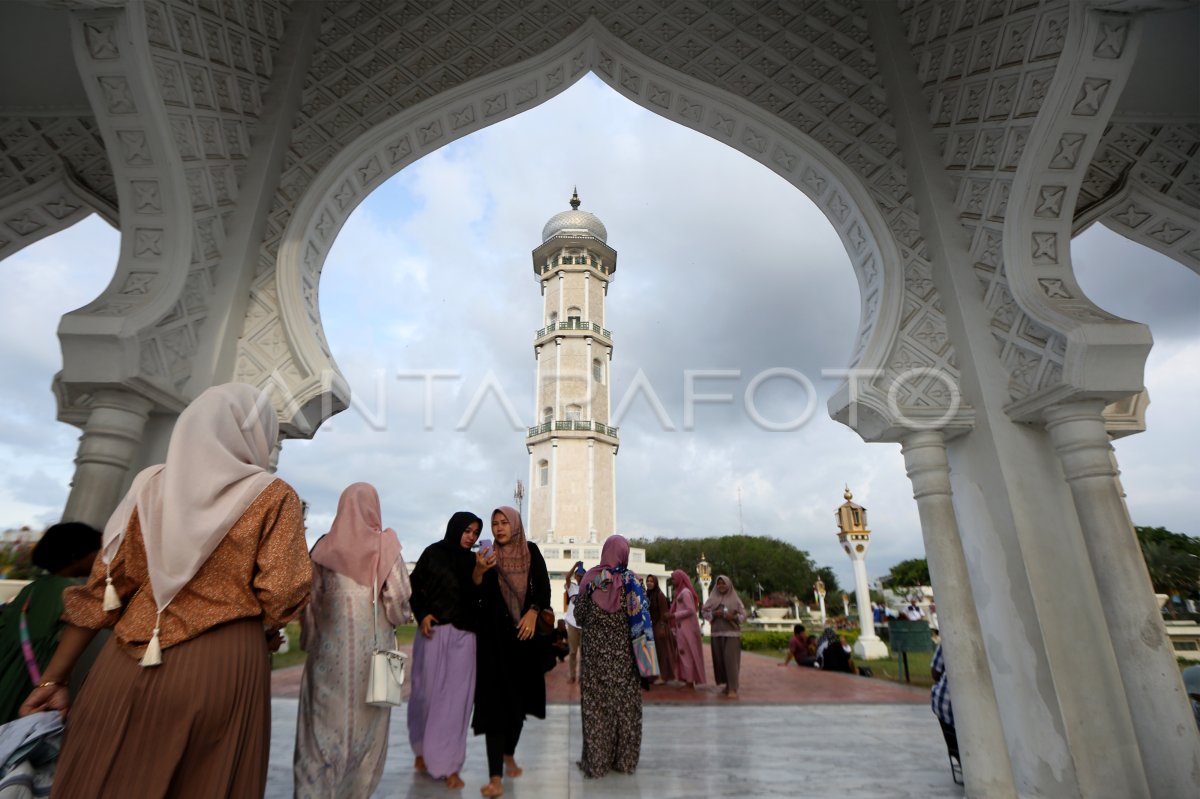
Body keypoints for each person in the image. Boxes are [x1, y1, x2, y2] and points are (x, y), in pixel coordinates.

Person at [20, 382, 311, 798]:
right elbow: (282, 591)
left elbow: (102, 591)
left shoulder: (149, 486)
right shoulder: (271, 495)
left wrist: (51, 682)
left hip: (123, 662)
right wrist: (265, 630)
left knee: (105, 774)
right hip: (222, 663)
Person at [293, 482, 412, 798]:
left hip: (326, 660)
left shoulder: (322, 549)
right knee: (367, 736)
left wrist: (309, 642)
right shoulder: (385, 547)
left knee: (318, 735)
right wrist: (397, 617)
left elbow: (308, 605)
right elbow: (399, 601)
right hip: (371, 661)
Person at [472, 506, 550, 798]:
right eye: (495, 523)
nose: (499, 528)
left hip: (524, 641)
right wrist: (479, 571)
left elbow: (543, 588)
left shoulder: (530, 551)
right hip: (493, 644)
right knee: (495, 709)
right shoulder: (486, 556)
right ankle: (495, 778)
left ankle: (509, 753)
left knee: (517, 709)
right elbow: (476, 598)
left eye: (505, 522)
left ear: (515, 524)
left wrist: (533, 611)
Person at [406, 510, 485, 791]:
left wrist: (480, 573)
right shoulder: (433, 553)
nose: (471, 537)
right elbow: (414, 586)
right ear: (456, 529)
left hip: (464, 635)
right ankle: (421, 750)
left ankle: (450, 765)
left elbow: (478, 598)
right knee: (425, 696)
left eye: (475, 533)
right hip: (433, 632)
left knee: (456, 702)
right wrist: (423, 613)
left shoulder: (476, 562)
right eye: (467, 531)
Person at [0, 523, 100, 724]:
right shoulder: (73, 594)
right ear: (75, 555)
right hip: (31, 683)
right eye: (98, 550)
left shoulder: (33, 588)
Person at [575, 535, 646, 777]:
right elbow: (642, 621)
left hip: (595, 658)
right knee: (626, 709)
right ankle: (625, 762)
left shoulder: (590, 579)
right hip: (625, 658)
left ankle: (597, 763)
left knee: (596, 708)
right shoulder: (633, 582)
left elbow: (579, 616)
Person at [701, 574, 746, 698]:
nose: (721, 586)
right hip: (716, 633)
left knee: (730, 661)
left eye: (723, 583)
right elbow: (704, 612)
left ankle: (733, 688)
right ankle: (727, 685)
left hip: (732, 634)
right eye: (719, 583)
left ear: (728, 584)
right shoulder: (712, 598)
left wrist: (734, 617)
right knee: (720, 661)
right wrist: (714, 614)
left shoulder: (735, 599)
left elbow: (743, 616)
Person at [668, 569, 705, 688]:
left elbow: (690, 610)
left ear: (680, 579)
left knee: (687, 654)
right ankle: (686, 679)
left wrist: (674, 615)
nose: (673, 581)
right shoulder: (680, 592)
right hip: (682, 628)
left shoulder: (685, 593)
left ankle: (690, 682)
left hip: (686, 630)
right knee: (683, 654)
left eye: (674, 579)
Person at [931, 643, 961, 782]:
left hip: (942, 701)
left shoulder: (948, 640)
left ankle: (958, 754)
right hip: (951, 704)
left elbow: (935, 673)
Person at [643, 574, 676, 684]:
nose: (649, 583)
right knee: (654, 652)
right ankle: (654, 676)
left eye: (652, 581)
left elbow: (664, 613)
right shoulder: (648, 595)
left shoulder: (659, 595)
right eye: (648, 581)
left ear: (656, 583)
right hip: (651, 627)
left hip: (660, 626)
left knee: (662, 653)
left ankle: (663, 676)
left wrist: (662, 628)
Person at [563, 561, 584, 683]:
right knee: (572, 652)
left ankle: (582, 676)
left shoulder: (588, 589)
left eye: (582, 575)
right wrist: (575, 566)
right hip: (571, 624)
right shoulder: (572, 587)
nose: (580, 577)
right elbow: (567, 577)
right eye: (578, 575)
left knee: (583, 653)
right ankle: (572, 676)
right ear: (575, 576)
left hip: (583, 625)